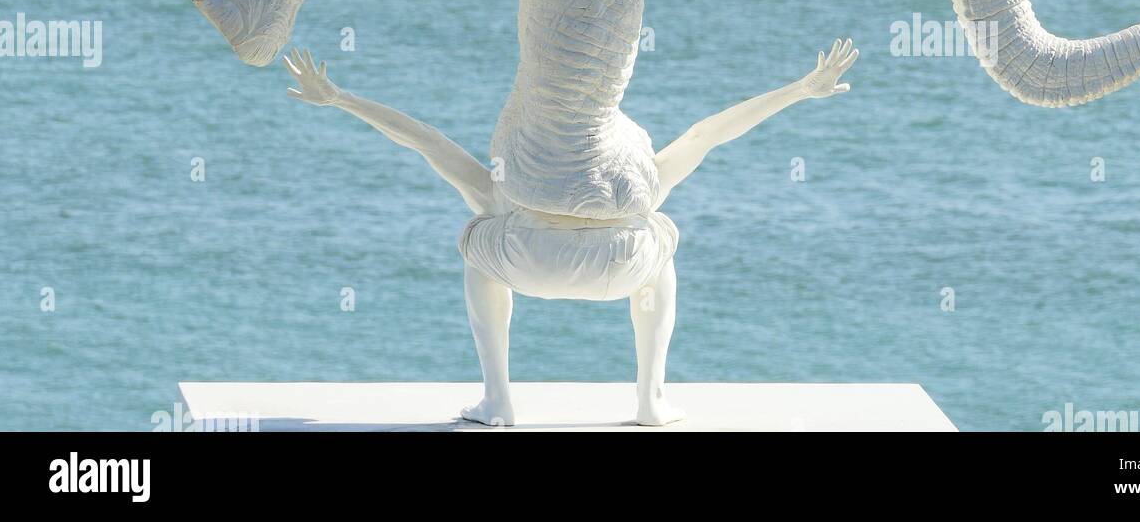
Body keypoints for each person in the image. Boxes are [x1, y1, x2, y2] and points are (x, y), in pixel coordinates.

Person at [284, 37, 859, 427]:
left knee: (476, 243)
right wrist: (799, 89)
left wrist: (340, 98)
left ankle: (499, 400)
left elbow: (425, 141)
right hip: (622, 263)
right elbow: (713, 131)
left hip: (526, 259)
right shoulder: (644, 177)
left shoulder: (507, 182)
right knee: (661, 238)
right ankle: (650, 398)